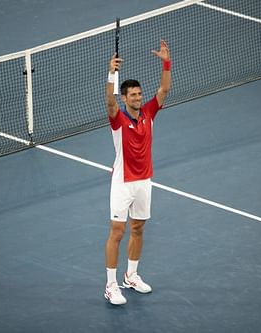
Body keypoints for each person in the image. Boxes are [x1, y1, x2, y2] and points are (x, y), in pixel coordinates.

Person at [104, 40, 171, 305]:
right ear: (124, 98)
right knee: (117, 232)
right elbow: (108, 100)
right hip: (122, 183)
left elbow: (165, 89)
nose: (138, 97)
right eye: (133, 95)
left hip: (145, 181)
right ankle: (110, 285)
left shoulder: (149, 113)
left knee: (139, 229)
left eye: (139, 94)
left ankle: (131, 276)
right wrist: (111, 73)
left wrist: (166, 62)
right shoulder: (117, 119)